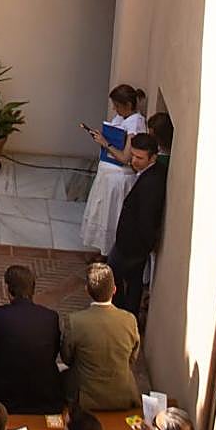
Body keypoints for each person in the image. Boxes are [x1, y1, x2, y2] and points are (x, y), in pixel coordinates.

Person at [0, 265, 63, 414]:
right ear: (32, 290)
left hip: (3, 396)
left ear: (8, 290)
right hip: (44, 396)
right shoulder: (50, 317)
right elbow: (54, 351)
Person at [60, 263, 141, 411]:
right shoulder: (130, 319)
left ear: (87, 290)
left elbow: (67, 358)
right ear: (114, 289)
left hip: (85, 397)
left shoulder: (75, 321)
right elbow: (132, 358)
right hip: (123, 395)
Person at [80, 84, 148, 254]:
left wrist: (106, 143)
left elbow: (125, 157)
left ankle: (109, 253)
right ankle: (100, 249)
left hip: (119, 178)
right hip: (107, 174)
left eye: (117, 106)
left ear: (128, 105)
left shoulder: (136, 123)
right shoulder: (121, 117)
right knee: (102, 214)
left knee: (111, 218)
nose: (114, 109)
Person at [108, 133, 167, 316]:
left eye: (139, 158)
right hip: (133, 244)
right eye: (133, 155)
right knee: (134, 282)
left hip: (132, 246)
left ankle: (119, 312)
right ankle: (129, 314)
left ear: (153, 157)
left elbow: (147, 218)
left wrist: (143, 246)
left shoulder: (152, 183)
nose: (134, 161)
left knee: (114, 275)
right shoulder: (151, 173)